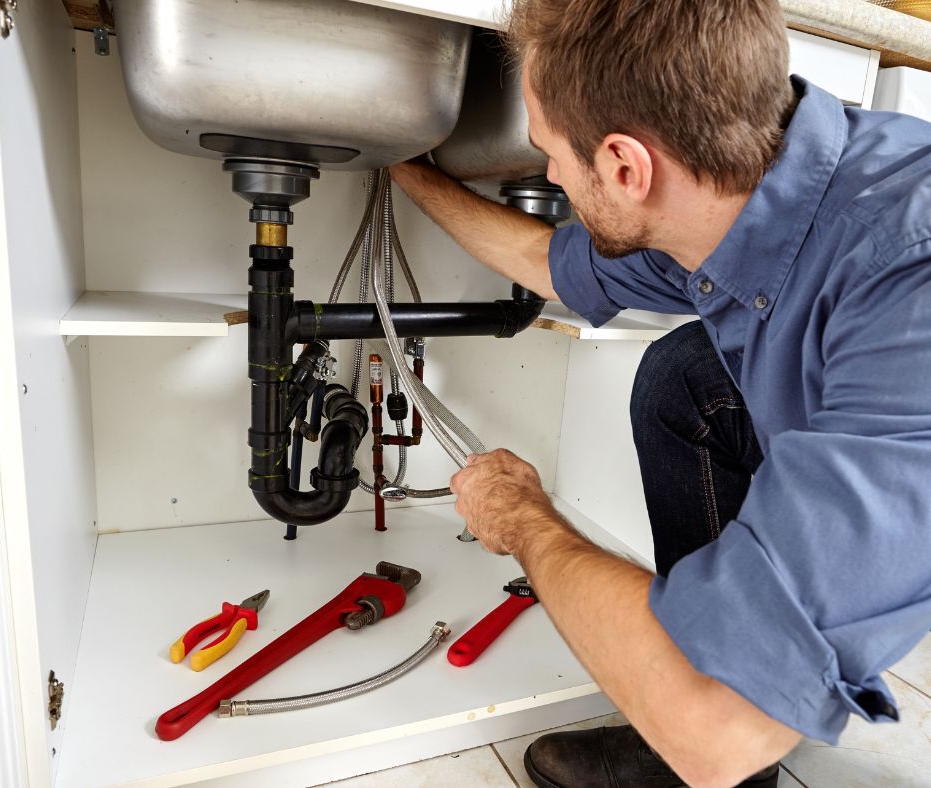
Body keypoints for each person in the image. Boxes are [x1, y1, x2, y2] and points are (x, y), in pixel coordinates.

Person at [390, 0, 931, 785]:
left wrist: (525, 523)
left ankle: (706, 682)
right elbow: (549, 266)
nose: (547, 174)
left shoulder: (907, 265)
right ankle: (701, 667)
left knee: (716, 722)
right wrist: (404, 170)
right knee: (687, 377)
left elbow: (721, 733)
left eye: (550, 153)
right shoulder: (742, 185)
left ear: (624, 166)